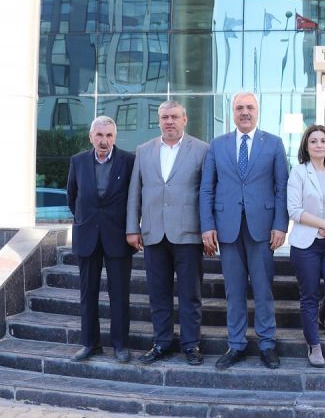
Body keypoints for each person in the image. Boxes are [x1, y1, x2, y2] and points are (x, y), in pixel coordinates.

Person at [199, 91, 289, 370]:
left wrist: (280, 224)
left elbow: (282, 188)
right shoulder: (217, 145)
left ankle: (267, 344)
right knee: (234, 291)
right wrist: (207, 225)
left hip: (262, 229)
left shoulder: (273, 143)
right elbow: (207, 188)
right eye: (240, 108)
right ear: (233, 112)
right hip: (227, 229)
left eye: (250, 107)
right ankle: (236, 344)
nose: (245, 112)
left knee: (263, 290)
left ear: (257, 111)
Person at [126, 100, 209, 366]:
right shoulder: (144, 150)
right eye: (164, 117)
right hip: (153, 233)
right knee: (158, 293)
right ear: (159, 121)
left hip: (189, 233)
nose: (169, 121)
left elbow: (207, 193)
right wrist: (132, 228)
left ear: (185, 120)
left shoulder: (202, 150)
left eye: (174, 116)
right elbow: (135, 193)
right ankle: (161, 343)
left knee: (190, 294)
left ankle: (191, 344)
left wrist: (208, 229)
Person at [66, 116, 136, 363]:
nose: (104, 141)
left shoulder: (129, 161)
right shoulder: (77, 161)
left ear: (115, 137)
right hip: (87, 236)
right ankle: (90, 343)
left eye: (108, 135)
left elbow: (134, 198)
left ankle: (120, 345)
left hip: (118, 237)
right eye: (99, 135)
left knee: (120, 294)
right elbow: (72, 196)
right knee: (88, 293)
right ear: (91, 137)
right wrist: (86, 220)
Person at [287, 125, 325, 368]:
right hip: (306, 244)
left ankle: (324, 316)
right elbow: (294, 210)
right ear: (306, 146)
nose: (319, 145)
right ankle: (314, 345)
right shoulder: (299, 172)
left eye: (323, 140)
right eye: (314, 141)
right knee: (309, 295)